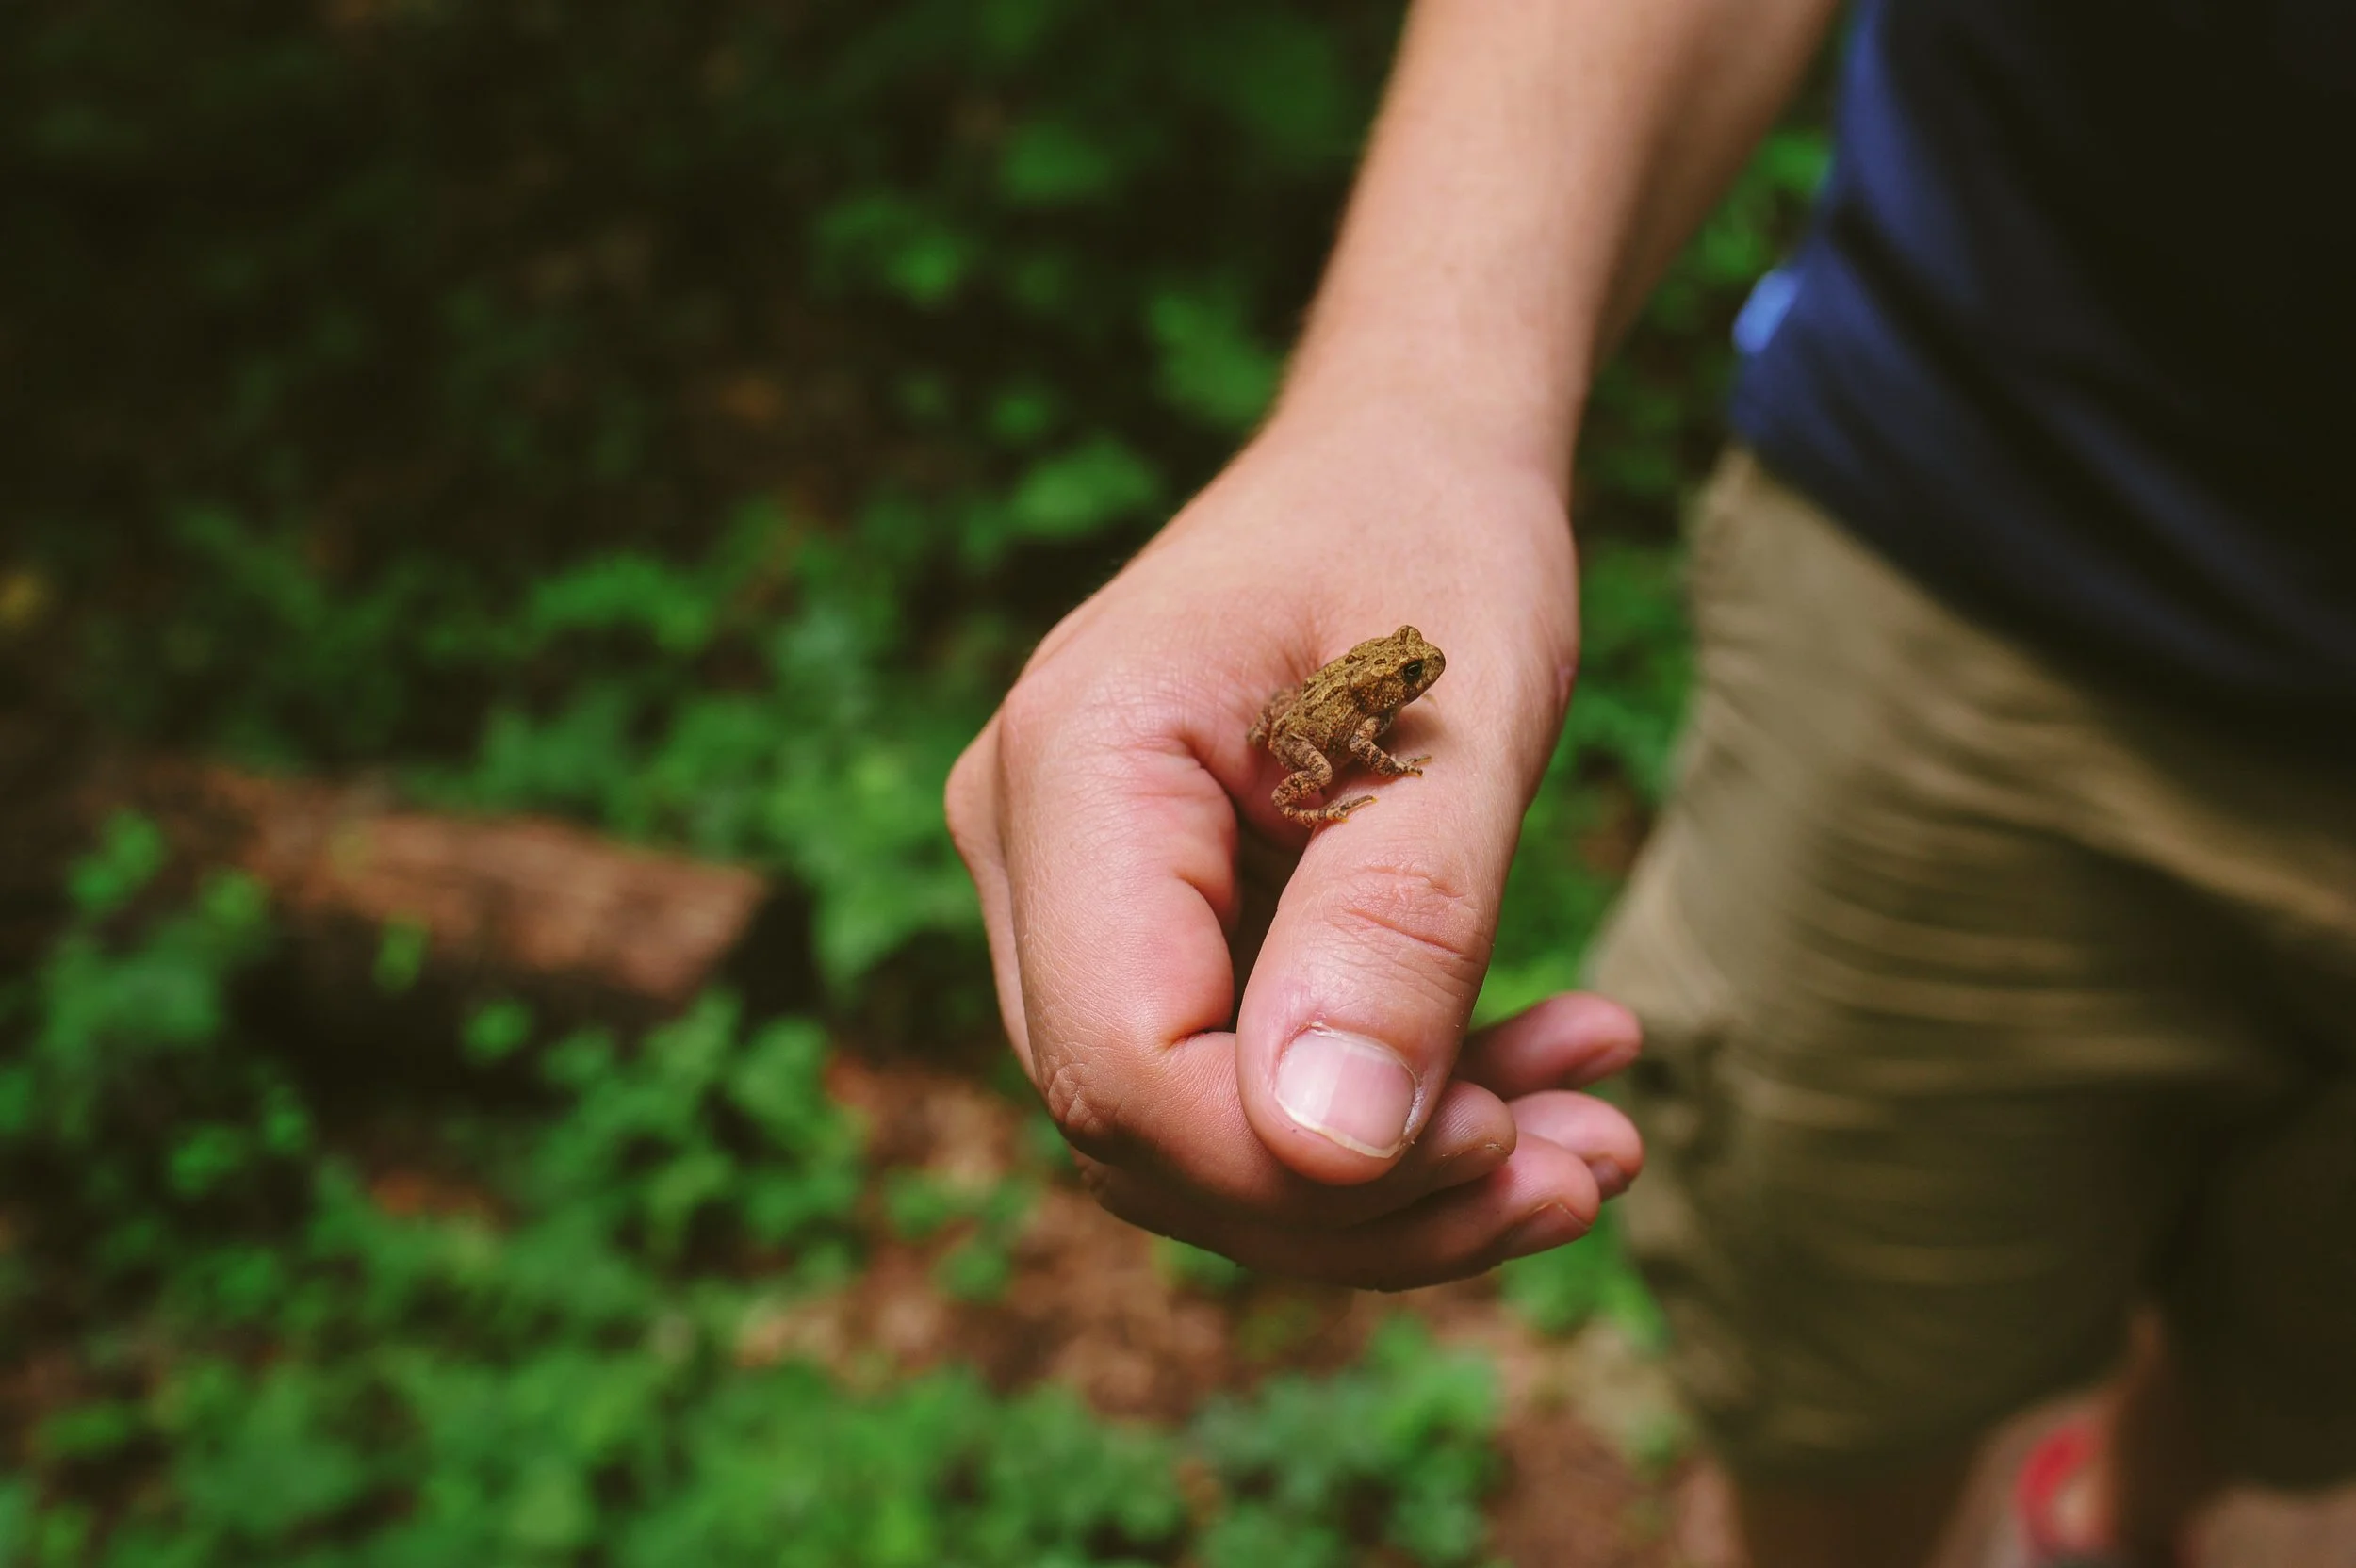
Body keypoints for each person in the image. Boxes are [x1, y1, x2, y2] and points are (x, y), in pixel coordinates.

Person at [945, 1, 2356, 1563]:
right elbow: (1330, 731)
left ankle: (2115, 1520)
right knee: (1840, 1385)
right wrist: (1413, 403)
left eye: (1409, 684)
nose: (1411, 691)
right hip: (1972, 533)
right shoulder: (1366, 701)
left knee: (2297, 1391)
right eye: (1401, 684)